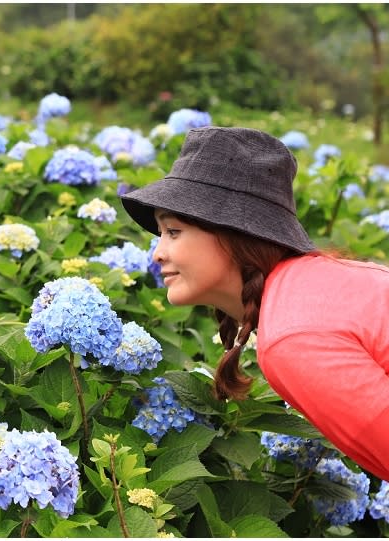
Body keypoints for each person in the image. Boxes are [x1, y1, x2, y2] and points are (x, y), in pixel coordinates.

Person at [119, 126, 389, 482]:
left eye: (173, 232)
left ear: (233, 234)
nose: (157, 254)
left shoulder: (292, 336)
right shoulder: (315, 284)